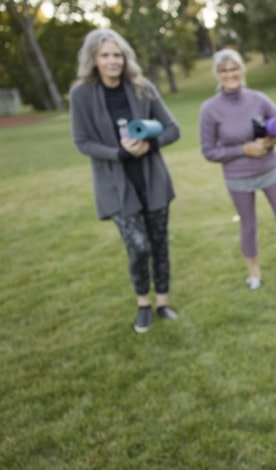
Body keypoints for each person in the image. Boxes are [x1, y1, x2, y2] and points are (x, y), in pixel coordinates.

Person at [70, 29, 181, 334]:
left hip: (152, 181)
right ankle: (143, 304)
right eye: (105, 55)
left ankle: (162, 303)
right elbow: (82, 142)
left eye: (117, 55)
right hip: (115, 186)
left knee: (159, 244)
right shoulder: (81, 94)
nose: (112, 61)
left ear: (125, 57)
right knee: (138, 246)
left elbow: (173, 128)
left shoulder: (142, 87)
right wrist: (118, 153)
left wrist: (150, 145)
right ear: (93, 59)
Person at [198, 49, 276, 292]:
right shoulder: (209, 109)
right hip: (238, 178)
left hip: (270, 170)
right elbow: (209, 151)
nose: (230, 74)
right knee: (248, 225)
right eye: (224, 70)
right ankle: (254, 275)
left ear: (242, 71)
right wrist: (243, 149)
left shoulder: (258, 99)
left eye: (234, 69)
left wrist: (273, 140)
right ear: (217, 75)